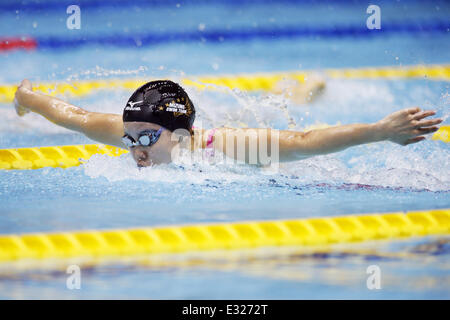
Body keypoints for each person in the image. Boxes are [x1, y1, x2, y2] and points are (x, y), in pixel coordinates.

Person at [14, 79, 443, 168]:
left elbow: (304, 140)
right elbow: (76, 115)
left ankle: (298, 92)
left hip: (229, 128)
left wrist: (380, 131)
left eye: (144, 138)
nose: (135, 150)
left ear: (180, 135)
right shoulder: (130, 134)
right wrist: (27, 98)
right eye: (129, 139)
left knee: (275, 114)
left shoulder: (226, 147)